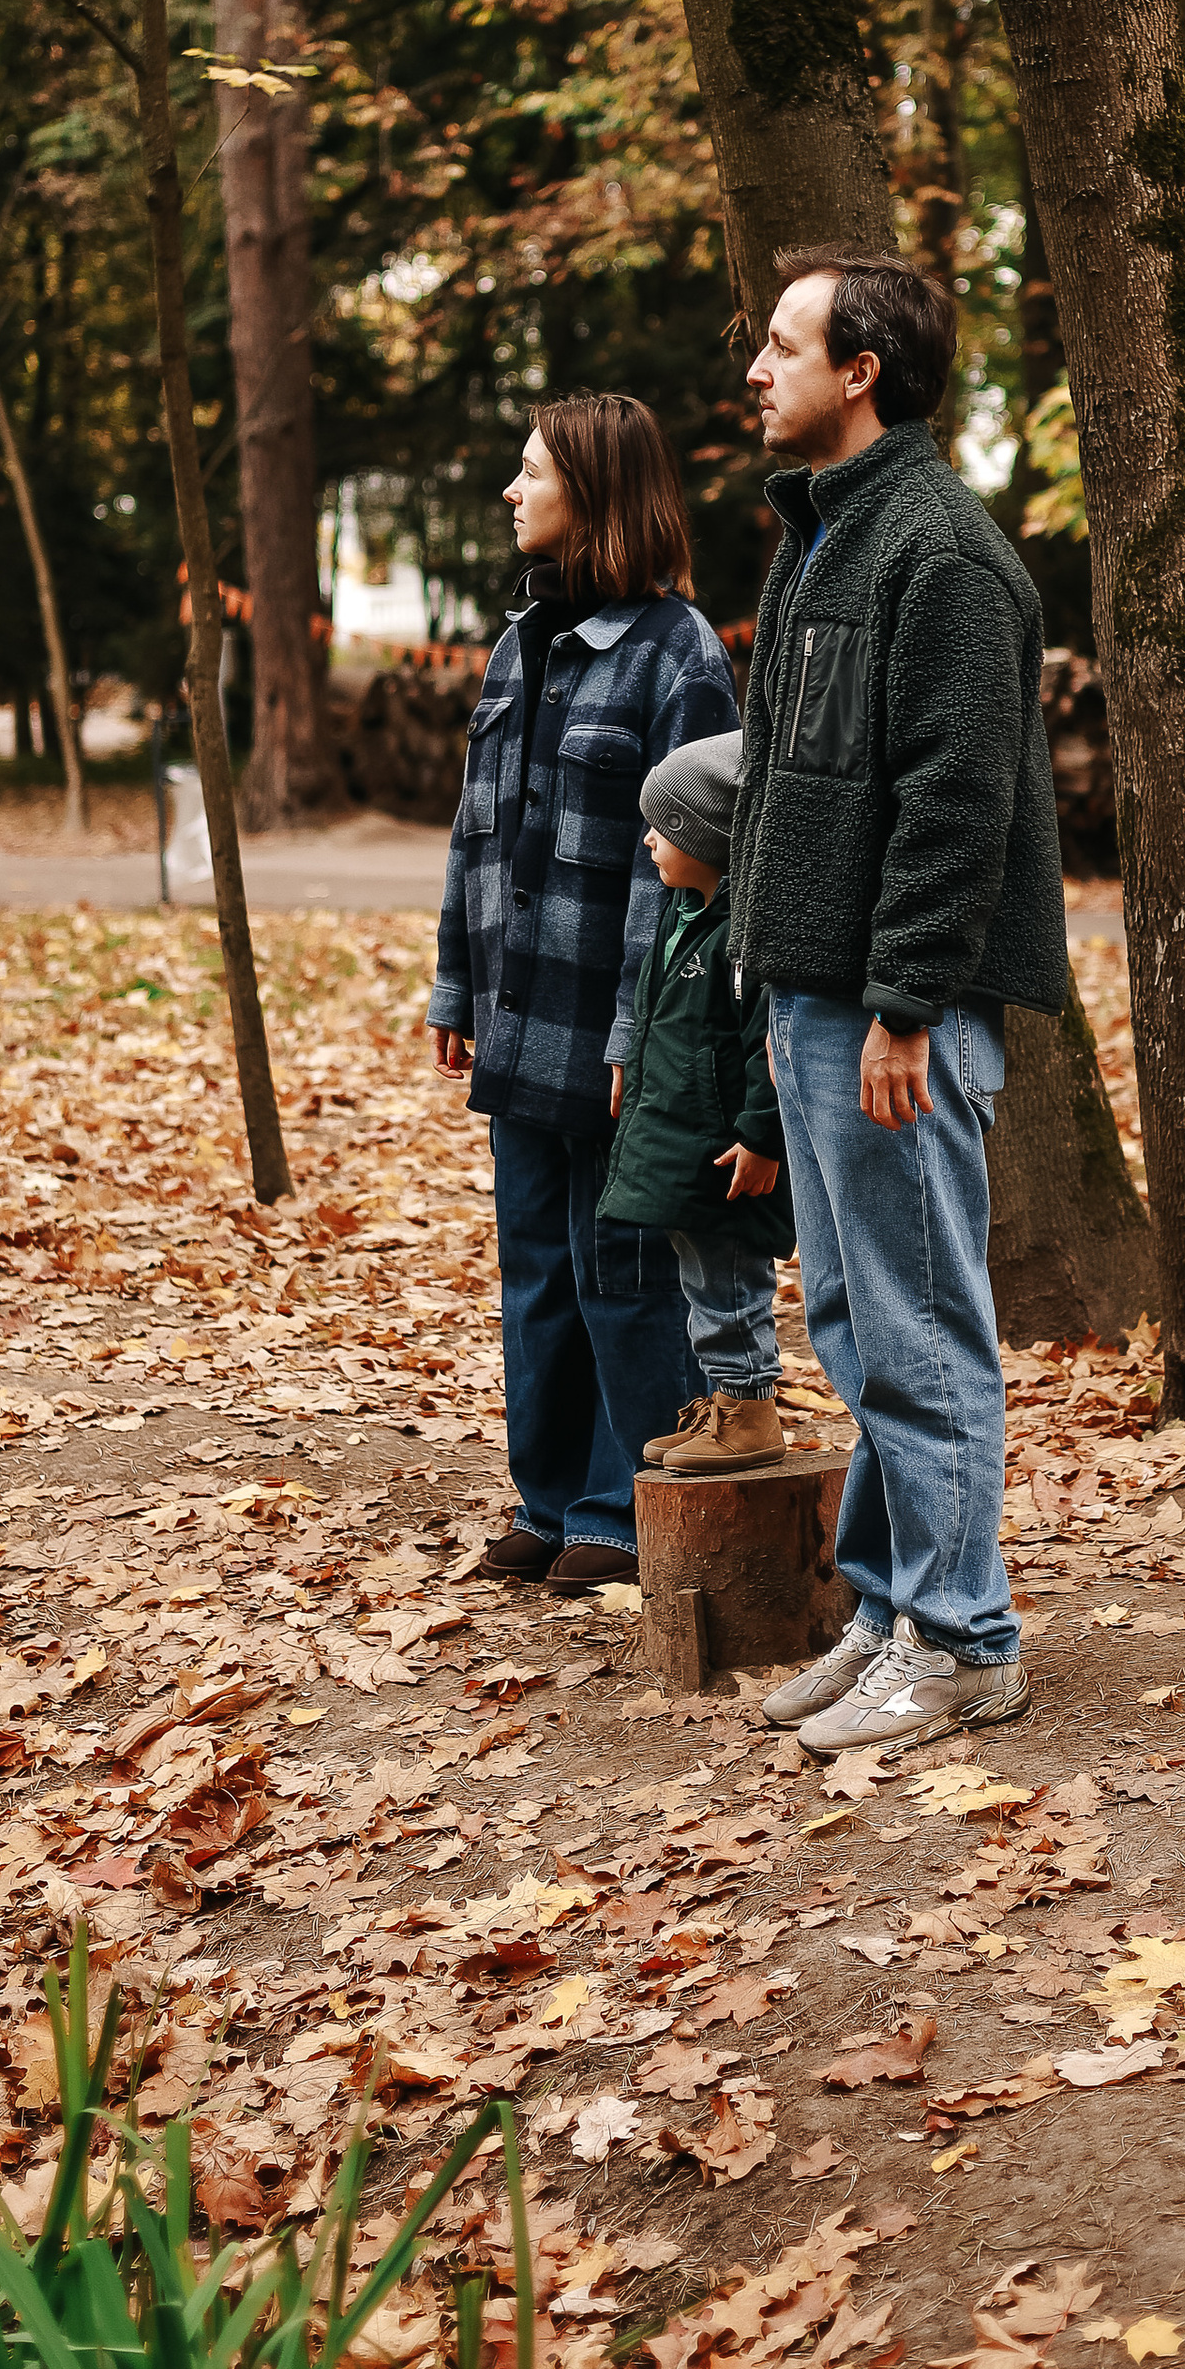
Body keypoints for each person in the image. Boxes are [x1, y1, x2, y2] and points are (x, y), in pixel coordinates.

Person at [728, 251, 1069, 1753]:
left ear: (861, 371)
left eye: (783, 345)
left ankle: (968, 1641)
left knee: (924, 1329)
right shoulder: (816, 541)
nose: (757, 367)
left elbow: (958, 800)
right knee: (864, 1323)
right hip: (819, 1001)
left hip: (896, 1017)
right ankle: (890, 1610)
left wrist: (906, 1003)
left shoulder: (944, 554)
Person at [430, 394, 737, 1592]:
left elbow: (688, 875)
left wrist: (641, 1031)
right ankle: (549, 1500)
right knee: (535, 1272)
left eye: (530, 472)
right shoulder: (518, 647)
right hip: (520, 1026)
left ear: (595, 493)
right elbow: (475, 835)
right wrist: (456, 988)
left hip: (618, 1038)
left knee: (623, 1270)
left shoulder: (680, 654)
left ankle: (624, 1503)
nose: (512, 492)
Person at [601, 730, 795, 1476]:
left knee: (728, 1277)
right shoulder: (684, 918)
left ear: (712, 838)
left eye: (668, 827)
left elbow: (765, 1046)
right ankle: (721, 1400)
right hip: (687, 1140)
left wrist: (761, 1134)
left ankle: (749, 1409)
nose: (650, 839)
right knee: (700, 1275)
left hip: (724, 1148)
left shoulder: (743, 940)